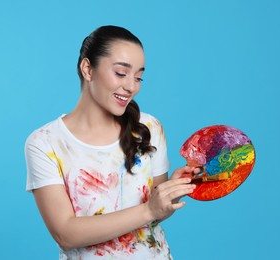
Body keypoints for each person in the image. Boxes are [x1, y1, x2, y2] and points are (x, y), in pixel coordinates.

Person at [25, 25, 198, 259]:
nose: (131, 86)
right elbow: (65, 234)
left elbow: (157, 214)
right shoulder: (45, 143)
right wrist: (149, 209)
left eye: (138, 77)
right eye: (120, 73)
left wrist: (170, 194)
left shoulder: (149, 128)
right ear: (87, 69)